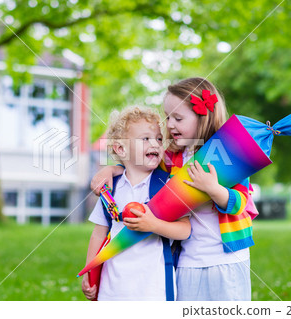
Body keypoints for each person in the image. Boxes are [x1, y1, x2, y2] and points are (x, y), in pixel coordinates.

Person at [90, 78, 255, 301]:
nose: (169, 125)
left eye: (177, 118)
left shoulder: (229, 152)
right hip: (187, 259)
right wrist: (112, 169)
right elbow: (139, 164)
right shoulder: (171, 157)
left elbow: (240, 203)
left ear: (202, 116)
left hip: (226, 258)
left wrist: (213, 189)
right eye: (168, 117)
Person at [81, 105, 191, 301]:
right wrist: (90, 273)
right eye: (145, 139)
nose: (156, 144)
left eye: (159, 139)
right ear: (120, 148)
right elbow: (98, 234)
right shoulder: (110, 189)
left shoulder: (168, 185)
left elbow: (185, 229)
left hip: (154, 290)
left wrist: (153, 225)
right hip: (112, 289)